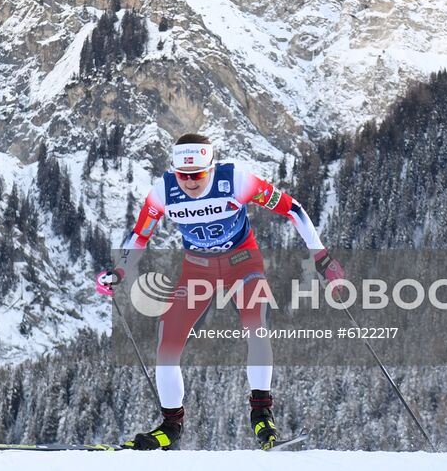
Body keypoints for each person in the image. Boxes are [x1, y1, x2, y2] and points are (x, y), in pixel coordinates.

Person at [96, 132, 346, 450]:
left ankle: (262, 415)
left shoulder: (236, 182)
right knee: (167, 341)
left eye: (198, 174)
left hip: (242, 261)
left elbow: (292, 210)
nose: (190, 182)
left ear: (211, 168)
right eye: (183, 175)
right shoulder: (163, 191)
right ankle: (170, 426)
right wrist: (119, 272)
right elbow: (140, 236)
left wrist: (321, 256)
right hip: (197, 269)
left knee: (257, 326)